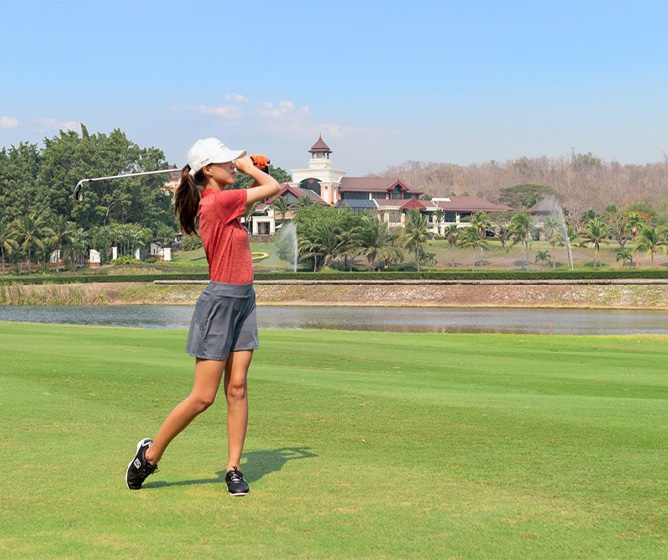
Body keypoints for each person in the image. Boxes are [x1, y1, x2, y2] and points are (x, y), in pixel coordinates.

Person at [125, 137, 280, 496]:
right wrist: (248, 166)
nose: (231, 165)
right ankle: (148, 456)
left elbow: (267, 191)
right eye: (224, 162)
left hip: (244, 300)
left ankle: (234, 469)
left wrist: (252, 170)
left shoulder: (226, 202)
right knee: (203, 397)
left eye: (232, 161)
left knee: (238, 388)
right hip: (220, 302)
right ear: (207, 170)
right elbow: (271, 186)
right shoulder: (218, 203)